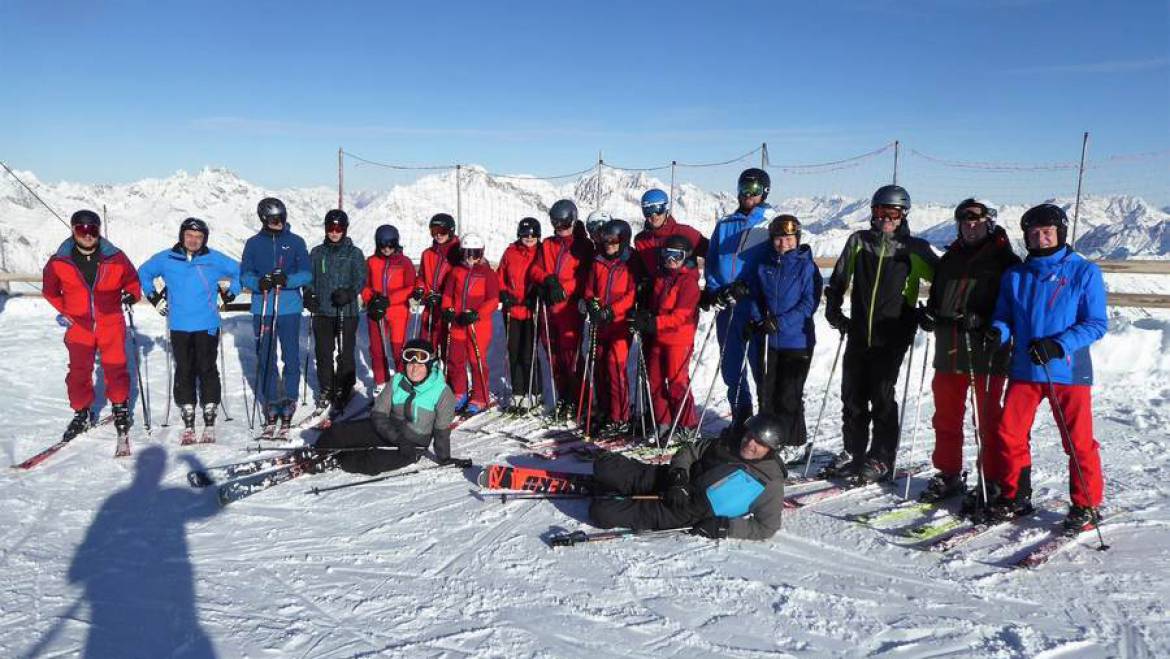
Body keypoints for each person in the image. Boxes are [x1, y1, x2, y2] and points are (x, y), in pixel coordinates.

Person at [980, 204, 1107, 534]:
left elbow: (1096, 323)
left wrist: (1059, 344)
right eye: (1034, 233)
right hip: (1025, 369)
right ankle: (1015, 495)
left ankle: (1086, 503)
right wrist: (997, 332)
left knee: (1077, 441)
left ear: (1060, 233)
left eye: (1047, 232)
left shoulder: (1084, 272)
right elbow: (1005, 316)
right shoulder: (1016, 275)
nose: (1041, 238)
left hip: (1069, 371)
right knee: (1009, 433)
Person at [822, 185, 938, 483]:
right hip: (859, 331)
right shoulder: (859, 242)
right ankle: (854, 451)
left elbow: (944, 280)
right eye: (879, 211)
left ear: (903, 215)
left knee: (881, 395)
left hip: (893, 334)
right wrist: (833, 309)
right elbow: (839, 278)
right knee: (852, 396)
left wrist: (930, 312)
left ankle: (881, 457)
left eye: (893, 212)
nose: (886, 218)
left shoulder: (914, 248)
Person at [917, 199, 1020, 502]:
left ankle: (991, 478)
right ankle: (948, 473)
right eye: (965, 222)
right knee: (946, 418)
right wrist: (930, 315)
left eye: (977, 221)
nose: (970, 227)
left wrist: (984, 321)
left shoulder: (1005, 260)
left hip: (986, 352)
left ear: (989, 223)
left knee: (988, 421)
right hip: (949, 349)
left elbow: (1014, 309)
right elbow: (938, 299)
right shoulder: (950, 258)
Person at [588, 413, 788, 540]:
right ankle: (609, 486)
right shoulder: (729, 443)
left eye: (759, 443)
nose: (750, 444)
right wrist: (678, 476)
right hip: (674, 481)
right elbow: (690, 451)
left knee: (600, 513)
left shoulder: (769, 483)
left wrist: (725, 527)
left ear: (770, 450)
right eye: (750, 436)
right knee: (604, 466)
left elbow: (767, 527)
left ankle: (613, 495)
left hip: (686, 512)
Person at [43, 210, 142, 453]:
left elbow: (132, 281)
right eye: (81, 229)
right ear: (73, 230)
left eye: (92, 230)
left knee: (115, 367)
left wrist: (131, 295)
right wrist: (65, 311)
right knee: (79, 371)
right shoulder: (59, 261)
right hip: (79, 326)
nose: (87, 235)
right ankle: (82, 413)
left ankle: (120, 407)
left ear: (99, 231)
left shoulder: (115, 257)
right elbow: (50, 290)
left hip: (110, 322)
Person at [138, 217, 241, 444]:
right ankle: (187, 407)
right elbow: (143, 273)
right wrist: (154, 297)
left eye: (198, 237)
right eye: (189, 236)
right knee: (184, 368)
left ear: (205, 239)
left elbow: (240, 272)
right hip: (179, 325)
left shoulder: (213, 258)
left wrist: (230, 294)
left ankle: (210, 408)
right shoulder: (167, 258)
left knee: (207, 367)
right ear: (182, 236)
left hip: (207, 324)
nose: (193, 240)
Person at [315, 338, 471, 473]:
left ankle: (338, 461)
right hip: (389, 431)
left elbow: (441, 432)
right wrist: (397, 438)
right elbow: (378, 414)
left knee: (374, 461)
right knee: (340, 431)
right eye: (410, 364)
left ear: (430, 365)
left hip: (412, 445)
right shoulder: (397, 380)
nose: (414, 369)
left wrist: (445, 458)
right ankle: (316, 452)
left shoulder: (442, 392)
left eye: (420, 365)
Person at [703, 168, 777, 436]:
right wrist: (715, 291)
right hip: (728, 306)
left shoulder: (769, 224)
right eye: (744, 188)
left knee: (761, 367)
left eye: (754, 190)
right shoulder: (725, 224)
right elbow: (712, 261)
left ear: (764, 192)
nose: (748, 194)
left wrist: (750, 288)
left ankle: (767, 424)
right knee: (731, 365)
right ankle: (741, 416)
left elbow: (775, 263)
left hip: (755, 306)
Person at [744, 215, 823, 454]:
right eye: (778, 239)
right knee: (767, 393)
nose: (783, 244)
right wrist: (759, 320)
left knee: (789, 395)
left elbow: (808, 304)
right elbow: (756, 297)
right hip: (770, 340)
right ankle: (768, 440)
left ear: (797, 239)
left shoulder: (806, 267)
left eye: (788, 239)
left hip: (796, 340)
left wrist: (779, 323)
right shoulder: (765, 265)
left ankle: (794, 443)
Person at [239, 197, 312, 438]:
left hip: (289, 307)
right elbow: (245, 274)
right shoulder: (253, 244)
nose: (278, 222)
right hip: (263, 307)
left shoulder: (296, 242)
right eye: (272, 219)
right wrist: (258, 283)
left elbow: (307, 273)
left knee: (290, 355)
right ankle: (271, 400)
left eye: (281, 218)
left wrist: (288, 280)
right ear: (263, 219)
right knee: (266, 356)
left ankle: (289, 398)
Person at [630, 234, 701, 441]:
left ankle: (687, 425)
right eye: (667, 254)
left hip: (678, 339)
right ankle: (663, 422)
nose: (671, 260)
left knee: (677, 382)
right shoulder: (662, 278)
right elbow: (655, 307)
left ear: (686, 257)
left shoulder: (689, 283)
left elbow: (681, 316)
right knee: (654, 380)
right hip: (658, 338)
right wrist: (644, 315)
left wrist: (653, 323)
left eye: (676, 256)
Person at [530, 199, 594, 420]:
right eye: (556, 224)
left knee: (571, 357)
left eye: (564, 224)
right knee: (553, 355)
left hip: (569, 309)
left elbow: (585, 277)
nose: (560, 229)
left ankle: (581, 400)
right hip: (549, 309)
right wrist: (547, 280)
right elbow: (535, 269)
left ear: (573, 221)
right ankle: (564, 396)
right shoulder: (548, 244)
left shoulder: (583, 246)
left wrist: (564, 289)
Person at [582, 218, 643, 438]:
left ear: (623, 241)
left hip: (619, 323)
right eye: (606, 240)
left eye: (614, 241)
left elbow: (631, 294)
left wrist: (612, 310)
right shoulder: (598, 260)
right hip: (600, 322)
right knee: (598, 364)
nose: (609, 245)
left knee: (615, 366)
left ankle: (621, 417)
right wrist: (592, 303)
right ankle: (605, 410)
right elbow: (590, 288)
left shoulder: (629, 262)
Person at [304, 209, 366, 418]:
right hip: (322, 311)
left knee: (345, 353)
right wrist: (309, 294)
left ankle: (344, 387)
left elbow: (361, 278)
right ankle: (327, 388)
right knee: (323, 353)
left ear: (345, 229)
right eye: (331, 228)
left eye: (338, 228)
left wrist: (350, 292)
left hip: (346, 311)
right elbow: (309, 278)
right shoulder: (317, 253)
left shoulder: (354, 253)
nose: (334, 232)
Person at [440, 233, 499, 414]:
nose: (471, 258)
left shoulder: (487, 273)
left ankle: (480, 396)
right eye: (467, 253)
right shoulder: (456, 272)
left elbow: (493, 300)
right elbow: (448, 294)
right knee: (455, 359)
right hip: (458, 322)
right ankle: (460, 392)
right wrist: (448, 309)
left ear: (481, 252)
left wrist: (477, 314)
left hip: (478, 325)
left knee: (476, 360)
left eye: (475, 253)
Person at [362, 224, 416, 395]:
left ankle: (401, 381)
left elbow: (410, 287)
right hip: (376, 310)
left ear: (396, 243)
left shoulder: (404, 262)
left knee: (398, 348)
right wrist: (371, 299)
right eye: (382, 245)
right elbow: (364, 285)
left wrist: (389, 300)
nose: (387, 249)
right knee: (377, 348)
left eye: (391, 244)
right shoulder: (371, 262)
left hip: (398, 311)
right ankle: (381, 381)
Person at [496, 217, 543, 413]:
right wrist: (503, 293)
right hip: (513, 309)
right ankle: (517, 390)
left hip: (531, 309)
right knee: (513, 351)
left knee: (528, 353)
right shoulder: (511, 252)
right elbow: (500, 276)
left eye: (533, 235)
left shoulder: (541, 252)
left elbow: (544, 274)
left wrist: (537, 293)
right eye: (525, 235)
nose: (529, 238)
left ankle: (534, 391)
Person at [413, 213, 461, 358]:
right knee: (426, 344)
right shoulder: (427, 254)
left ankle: (446, 370)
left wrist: (443, 298)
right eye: (434, 231)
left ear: (451, 231)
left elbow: (462, 281)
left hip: (449, 309)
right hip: (431, 306)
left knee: (448, 347)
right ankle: (427, 369)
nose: (438, 235)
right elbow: (422, 276)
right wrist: (420, 289)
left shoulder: (459, 253)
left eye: (442, 231)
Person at [632, 188, 708, 277]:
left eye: (658, 209)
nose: (654, 215)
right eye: (648, 211)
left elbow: (711, 253)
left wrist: (690, 265)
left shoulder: (685, 233)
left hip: (684, 283)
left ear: (666, 209)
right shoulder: (641, 240)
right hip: (658, 284)